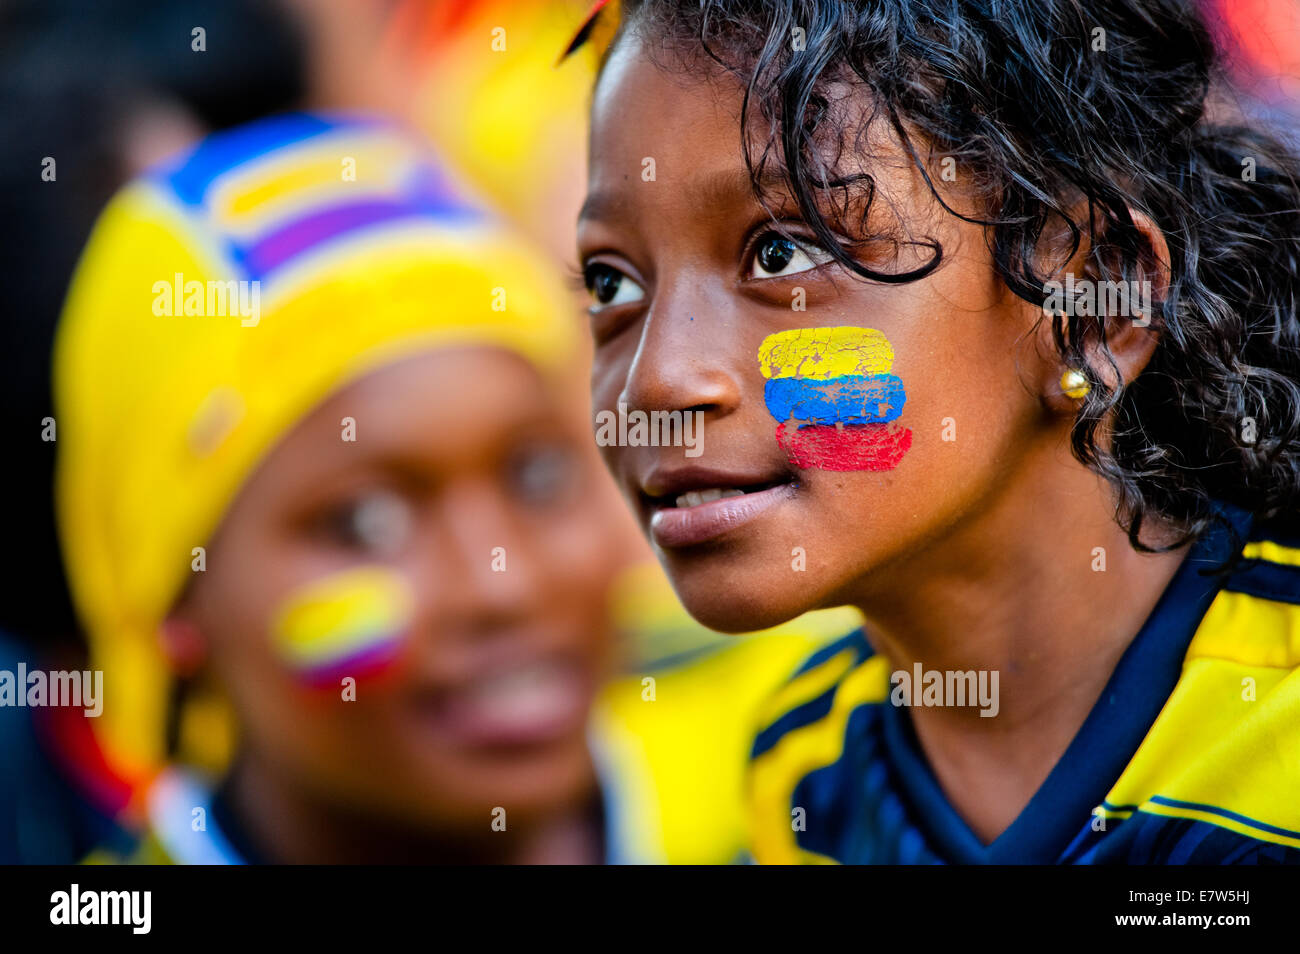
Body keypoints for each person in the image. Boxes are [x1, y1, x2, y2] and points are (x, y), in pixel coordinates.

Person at [573, 0, 1300, 863]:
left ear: (1091, 307)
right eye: (612, 284)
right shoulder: (806, 775)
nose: (659, 380)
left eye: (782, 254)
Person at [56, 112, 848, 863]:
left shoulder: (826, 753)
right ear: (174, 605)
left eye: (537, 475)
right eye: (363, 523)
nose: (501, 585)